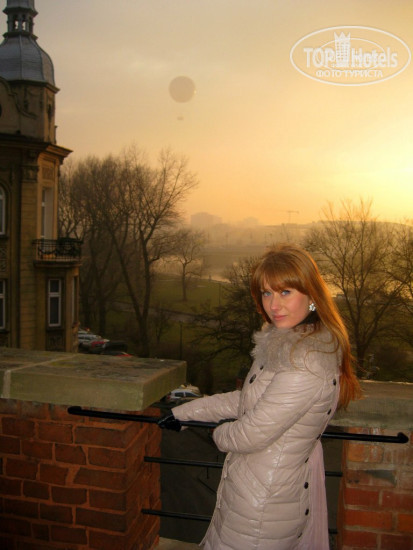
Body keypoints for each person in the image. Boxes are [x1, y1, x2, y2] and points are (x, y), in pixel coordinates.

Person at [158, 243, 361, 550]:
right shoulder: (286, 343)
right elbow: (246, 401)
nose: (273, 305)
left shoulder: (307, 361)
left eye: (285, 292)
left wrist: (216, 434)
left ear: (311, 295)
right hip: (254, 494)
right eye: (266, 293)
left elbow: (251, 433)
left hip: (264, 507)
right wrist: (184, 413)